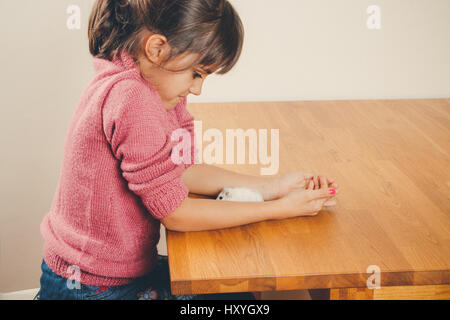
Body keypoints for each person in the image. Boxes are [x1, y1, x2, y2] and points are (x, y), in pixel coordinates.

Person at [37, 0, 339, 300]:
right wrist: (279, 210)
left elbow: (184, 168)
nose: (197, 89)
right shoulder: (132, 98)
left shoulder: (152, 84)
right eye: (197, 73)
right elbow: (176, 213)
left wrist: (274, 186)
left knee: (250, 286)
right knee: (250, 292)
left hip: (112, 275)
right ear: (157, 49)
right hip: (93, 287)